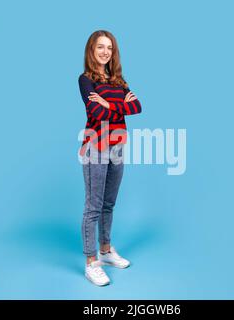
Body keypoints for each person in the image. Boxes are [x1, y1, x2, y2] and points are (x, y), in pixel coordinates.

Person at [78, 30, 142, 286]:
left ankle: (105, 250)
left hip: (117, 147)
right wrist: (115, 107)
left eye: (110, 48)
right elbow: (96, 111)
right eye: (100, 47)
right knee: (93, 206)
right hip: (96, 147)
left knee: (109, 203)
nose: (105, 52)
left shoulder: (118, 80)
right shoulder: (85, 80)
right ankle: (91, 262)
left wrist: (108, 105)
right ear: (91, 51)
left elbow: (138, 107)